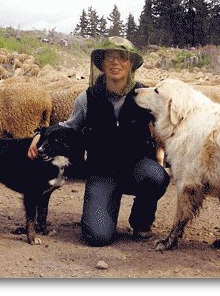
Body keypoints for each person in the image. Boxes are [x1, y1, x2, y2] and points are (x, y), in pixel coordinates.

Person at [28, 36, 169, 247]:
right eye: (110, 58)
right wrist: (41, 133)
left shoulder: (145, 95)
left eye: (122, 58)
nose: (115, 63)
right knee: (97, 237)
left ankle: (141, 221)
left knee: (157, 176)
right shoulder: (87, 98)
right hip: (102, 171)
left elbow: (167, 122)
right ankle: (105, 208)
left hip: (136, 167)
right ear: (101, 64)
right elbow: (69, 126)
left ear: (130, 64)